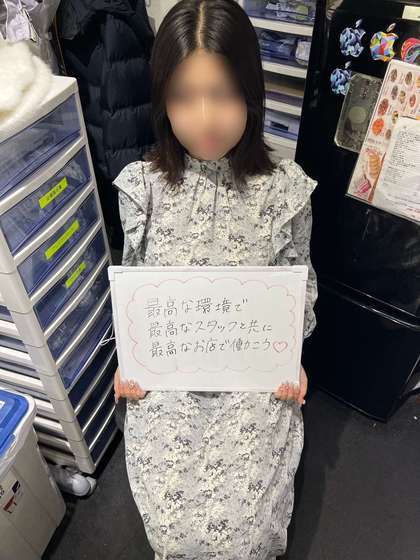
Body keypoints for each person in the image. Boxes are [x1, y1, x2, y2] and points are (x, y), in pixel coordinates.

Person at [113, 1, 317, 558]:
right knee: (173, 527)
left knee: (244, 532)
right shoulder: (143, 188)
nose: (204, 118)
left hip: (250, 377)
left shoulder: (285, 191)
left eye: (222, 93)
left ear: (250, 91)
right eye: (183, 96)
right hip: (173, 376)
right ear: (163, 101)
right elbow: (135, 297)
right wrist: (130, 364)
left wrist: (290, 356)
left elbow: (300, 288)